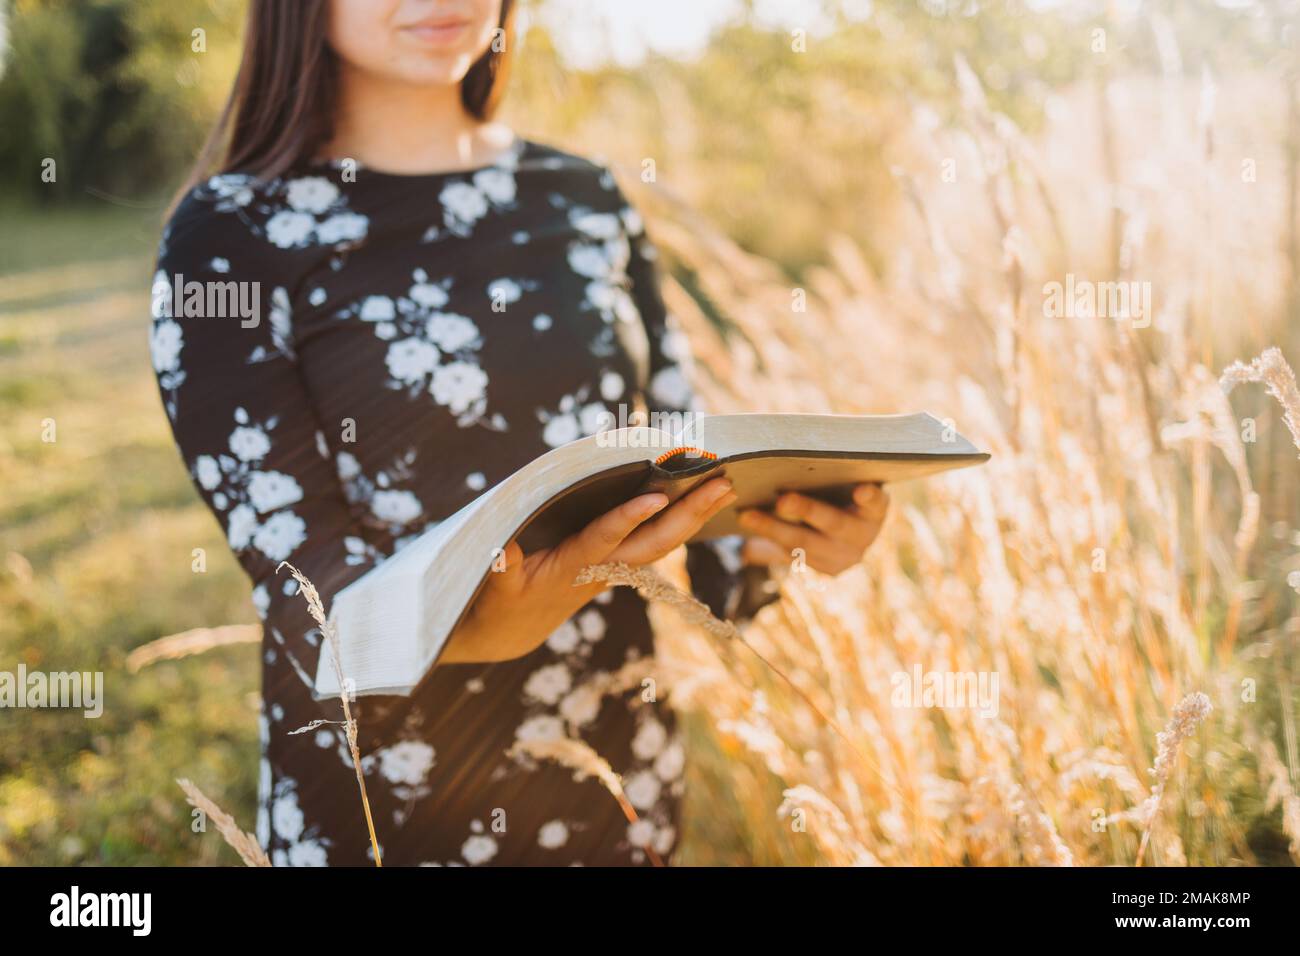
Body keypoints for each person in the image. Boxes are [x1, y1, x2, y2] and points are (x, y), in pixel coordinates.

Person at [149, 0, 890, 866]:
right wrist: (476, 631)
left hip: (613, 775)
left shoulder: (585, 198)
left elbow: (694, 458)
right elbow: (295, 570)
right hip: (385, 800)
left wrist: (788, 535)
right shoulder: (229, 238)